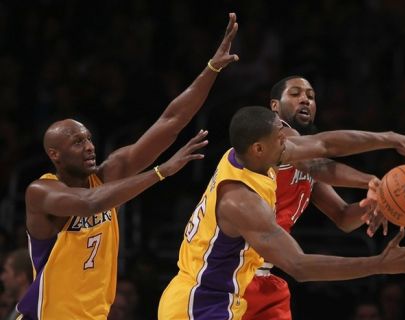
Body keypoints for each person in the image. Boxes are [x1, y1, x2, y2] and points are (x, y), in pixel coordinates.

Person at [16, 12, 240, 320]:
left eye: (89, 139)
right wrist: (161, 171)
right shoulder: (41, 192)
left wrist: (211, 68)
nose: (90, 146)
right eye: (78, 142)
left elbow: (171, 122)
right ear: (55, 154)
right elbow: (91, 202)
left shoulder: (112, 172)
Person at [157, 106, 405, 320]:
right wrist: (379, 264)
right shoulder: (241, 201)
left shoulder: (249, 156)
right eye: (281, 140)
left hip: (219, 298)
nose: (289, 145)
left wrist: (392, 138)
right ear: (259, 148)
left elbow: (326, 144)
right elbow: (300, 266)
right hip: (199, 305)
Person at [242, 75, 405, 320]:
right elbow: (321, 160)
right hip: (230, 269)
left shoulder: (302, 163)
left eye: (311, 96)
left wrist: (378, 202)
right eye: (295, 94)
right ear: (274, 105)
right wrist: (384, 151)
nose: (305, 99)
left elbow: (344, 217)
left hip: (262, 275)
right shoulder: (271, 136)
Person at [0, 249, 32, 320]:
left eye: (6, 271)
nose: (2, 277)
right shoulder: (13, 309)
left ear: (21, 277)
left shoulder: (32, 313)